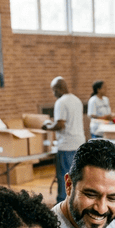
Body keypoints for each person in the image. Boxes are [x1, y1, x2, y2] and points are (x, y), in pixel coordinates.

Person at [42, 76, 85, 204]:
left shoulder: (61, 102)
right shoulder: (76, 100)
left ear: (59, 89)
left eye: (54, 90)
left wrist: (48, 126)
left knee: (64, 178)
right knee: (76, 177)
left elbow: (60, 124)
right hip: (79, 143)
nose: (53, 94)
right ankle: (76, 202)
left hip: (66, 145)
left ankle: (62, 204)